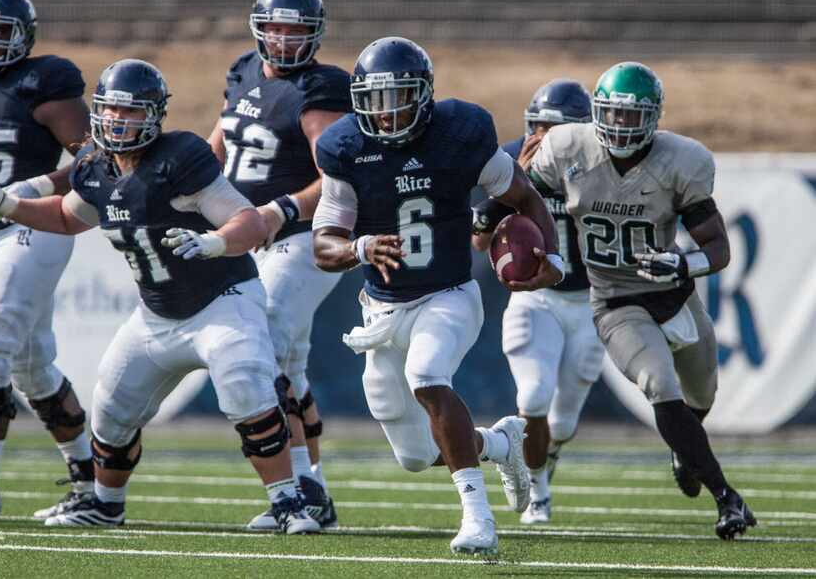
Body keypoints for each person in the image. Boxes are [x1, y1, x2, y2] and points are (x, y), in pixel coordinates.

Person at [0, 58, 320, 534]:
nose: (120, 121)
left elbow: (247, 219)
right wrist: (4, 203)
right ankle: (105, 503)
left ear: (156, 115)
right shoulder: (97, 168)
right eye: (113, 111)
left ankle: (289, 502)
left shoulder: (180, 156)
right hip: (157, 314)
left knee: (245, 382)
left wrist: (216, 242)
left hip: (222, 299)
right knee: (111, 410)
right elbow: (65, 217)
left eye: (133, 112)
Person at [312, 37, 564, 555]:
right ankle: (498, 443)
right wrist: (360, 246)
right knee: (413, 454)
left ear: (423, 94)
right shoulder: (345, 148)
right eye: (374, 100)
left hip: (448, 294)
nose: (385, 114)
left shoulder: (460, 135)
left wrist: (553, 259)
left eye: (397, 97)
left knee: (426, 375)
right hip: (381, 310)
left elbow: (522, 195)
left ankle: (478, 519)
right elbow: (324, 245)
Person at [529, 61, 756, 540]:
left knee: (702, 395)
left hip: (675, 295)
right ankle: (726, 498)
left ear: (654, 118)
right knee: (659, 383)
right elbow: (523, 192)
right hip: (616, 299)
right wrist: (486, 218)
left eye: (633, 117)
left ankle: (684, 450)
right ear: (595, 113)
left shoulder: (681, 160)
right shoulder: (570, 148)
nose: (621, 126)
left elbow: (718, 247)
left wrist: (684, 264)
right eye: (612, 114)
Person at [207, 0, 350, 529]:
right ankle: (311, 490)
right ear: (259, 29)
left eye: (297, 29)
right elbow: (219, 142)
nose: (285, 39)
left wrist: (281, 210)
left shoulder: (322, 89)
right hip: (248, 234)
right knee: (286, 366)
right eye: (276, 27)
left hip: (301, 238)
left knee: (263, 350)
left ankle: (299, 490)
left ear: (315, 35)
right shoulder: (243, 69)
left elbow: (335, 178)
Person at [471, 79, 605, 524]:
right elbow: (478, 240)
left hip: (589, 300)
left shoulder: (603, 163)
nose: (546, 138)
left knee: (563, 423)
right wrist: (515, 184)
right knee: (533, 396)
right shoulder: (509, 158)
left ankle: (548, 462)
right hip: (537, 299)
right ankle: (538, 487)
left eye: (559, 129)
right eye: (540, 126)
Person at [0, 0, 95, 520]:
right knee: (33, 368)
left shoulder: (43, 82)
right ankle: (88, 476)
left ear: (24, 37)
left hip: (31, 225)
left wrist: (32, 187)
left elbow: (98, 159)